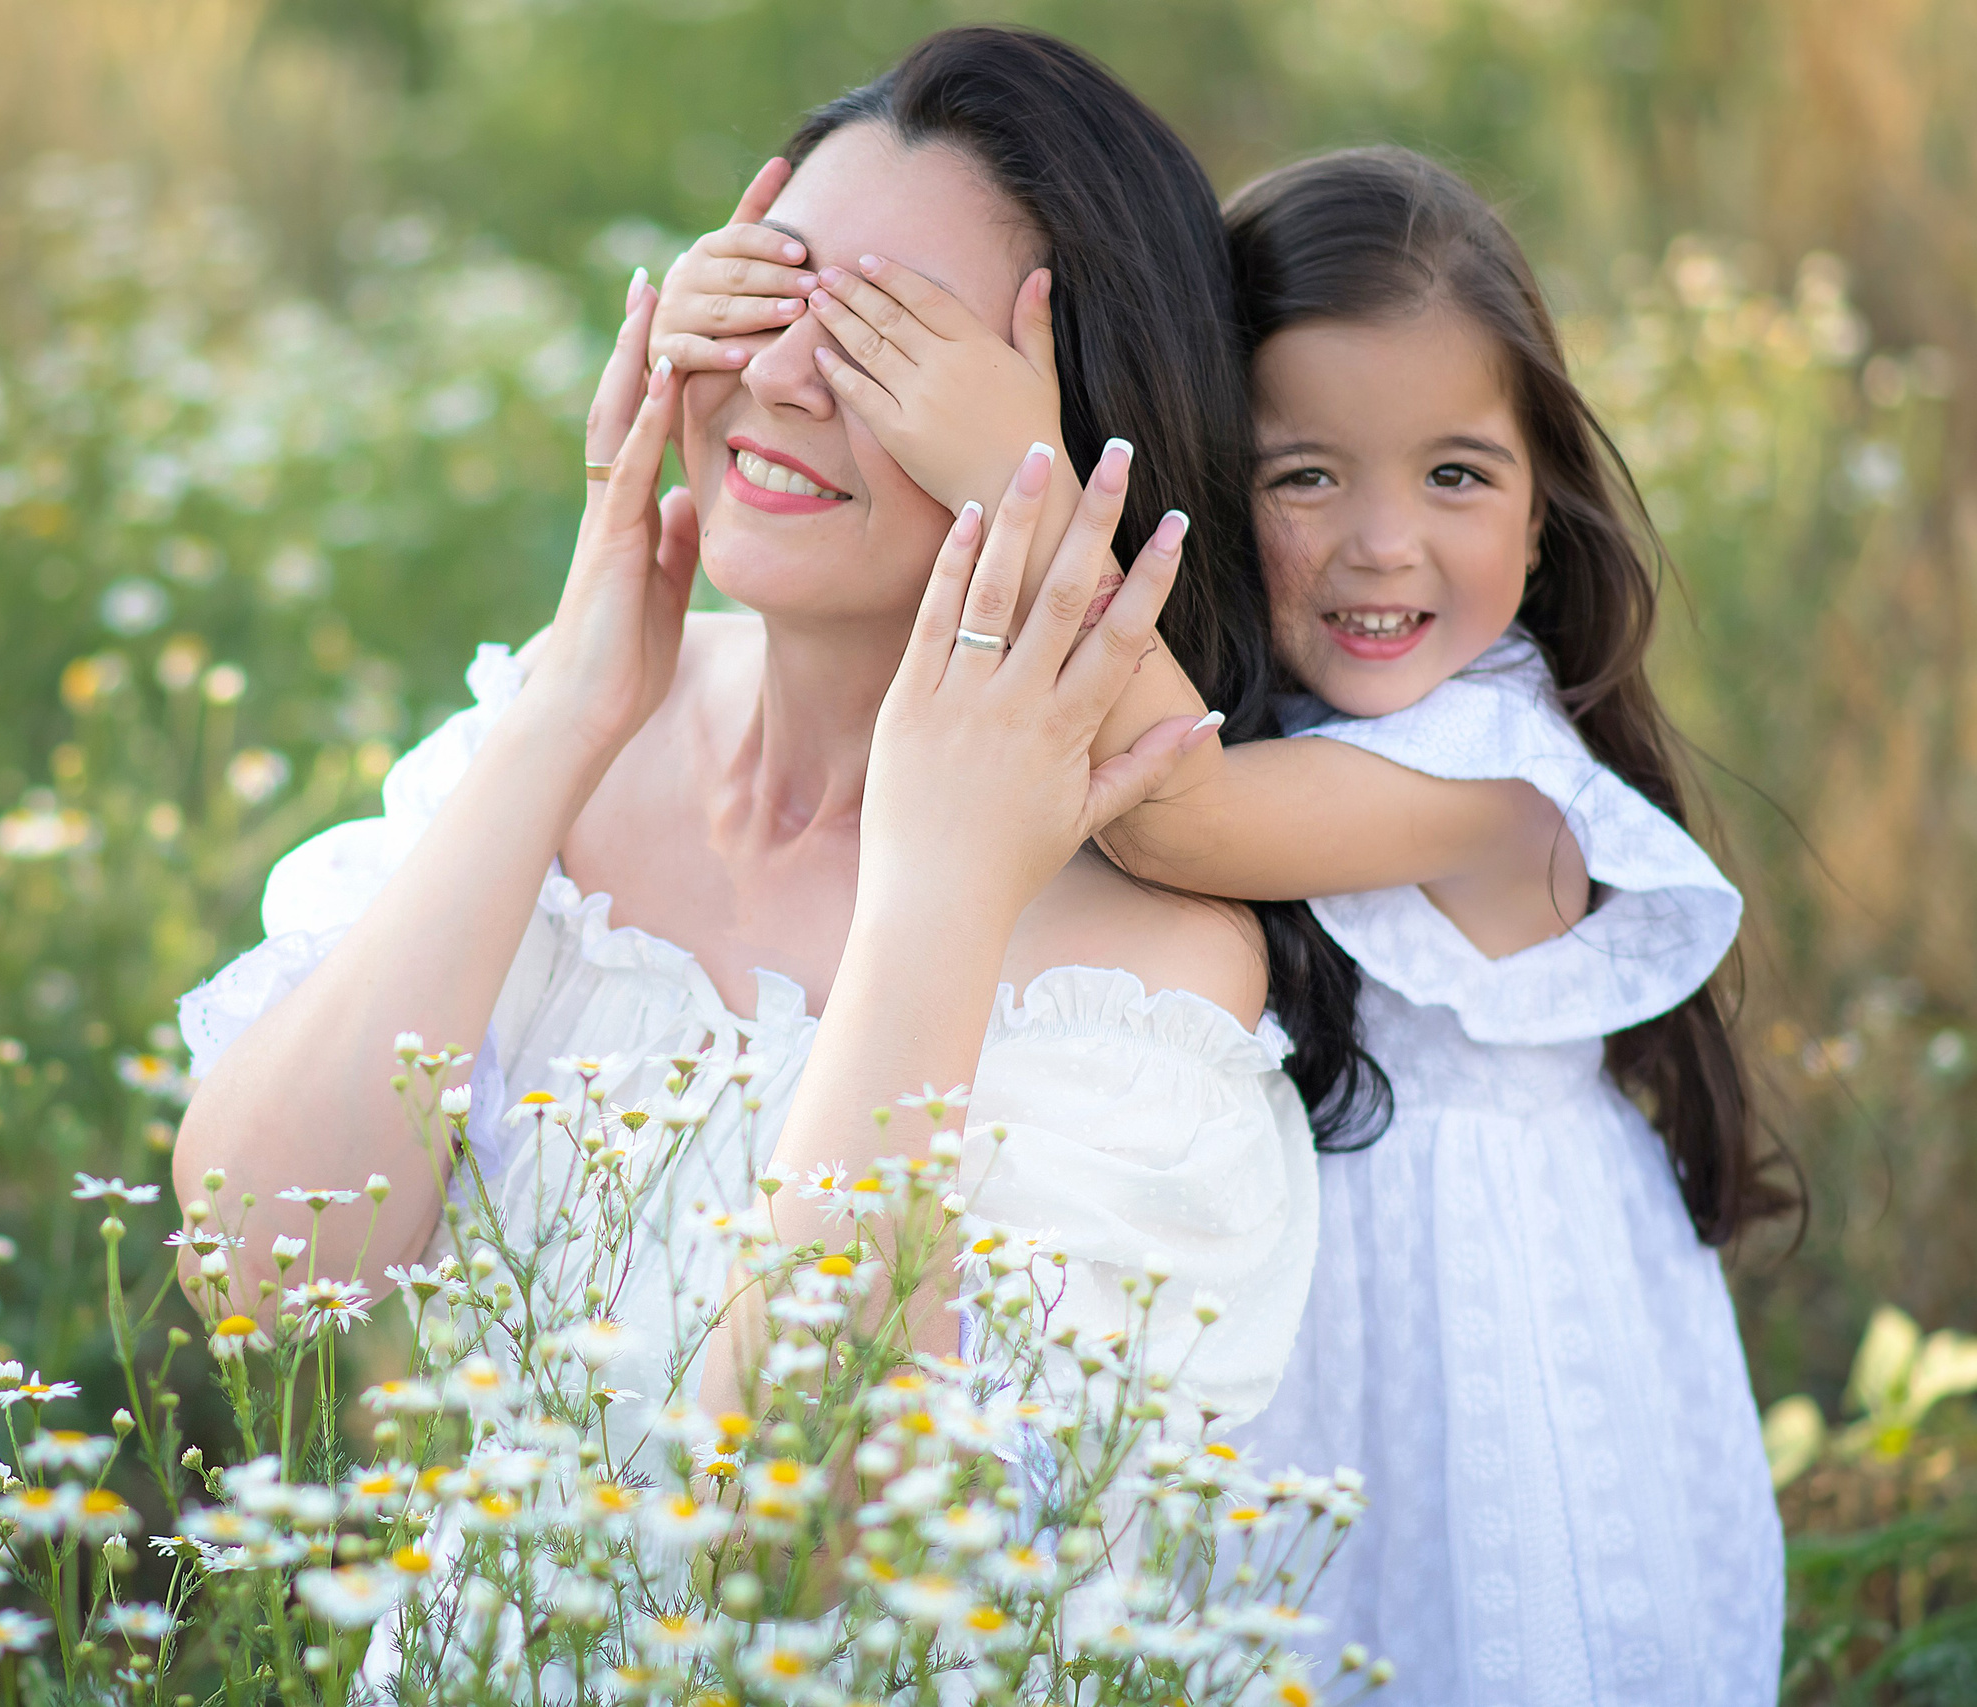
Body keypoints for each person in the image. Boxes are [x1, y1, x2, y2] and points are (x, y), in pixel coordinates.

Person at [658, 141, 1787, 1702]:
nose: (1382, 542)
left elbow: (1168, 798)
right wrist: (721, 323)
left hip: (1495, 1369)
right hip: (1304, 1365)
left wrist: (1018, 474)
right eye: (1304, 475)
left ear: (1543, 523)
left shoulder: (1505, 776)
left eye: (1457, 473)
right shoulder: (1285, 709)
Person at [174, 27, 1379, 1467]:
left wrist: (934, 892)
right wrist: (560, 718)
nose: (791, 377)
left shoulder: (1140, 974)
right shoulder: (566, 743)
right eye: (768, 290)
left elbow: (799, 1536)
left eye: (895, 345)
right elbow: (262, 1274)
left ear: (1075, 443)